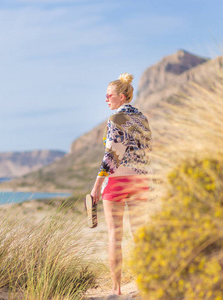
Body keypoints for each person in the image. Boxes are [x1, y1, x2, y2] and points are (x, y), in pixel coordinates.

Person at [90, 72, 151, 296]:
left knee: (115, 236)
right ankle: (146, 284)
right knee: (140, 235)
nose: (106, 99)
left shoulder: (115, 120)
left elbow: (111, 157)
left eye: (110, 95)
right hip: (140, 182)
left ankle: (116, 290)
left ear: (123, 96)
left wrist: (97, 186)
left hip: (117, 183)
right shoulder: (143, 119)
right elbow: (147, 153)